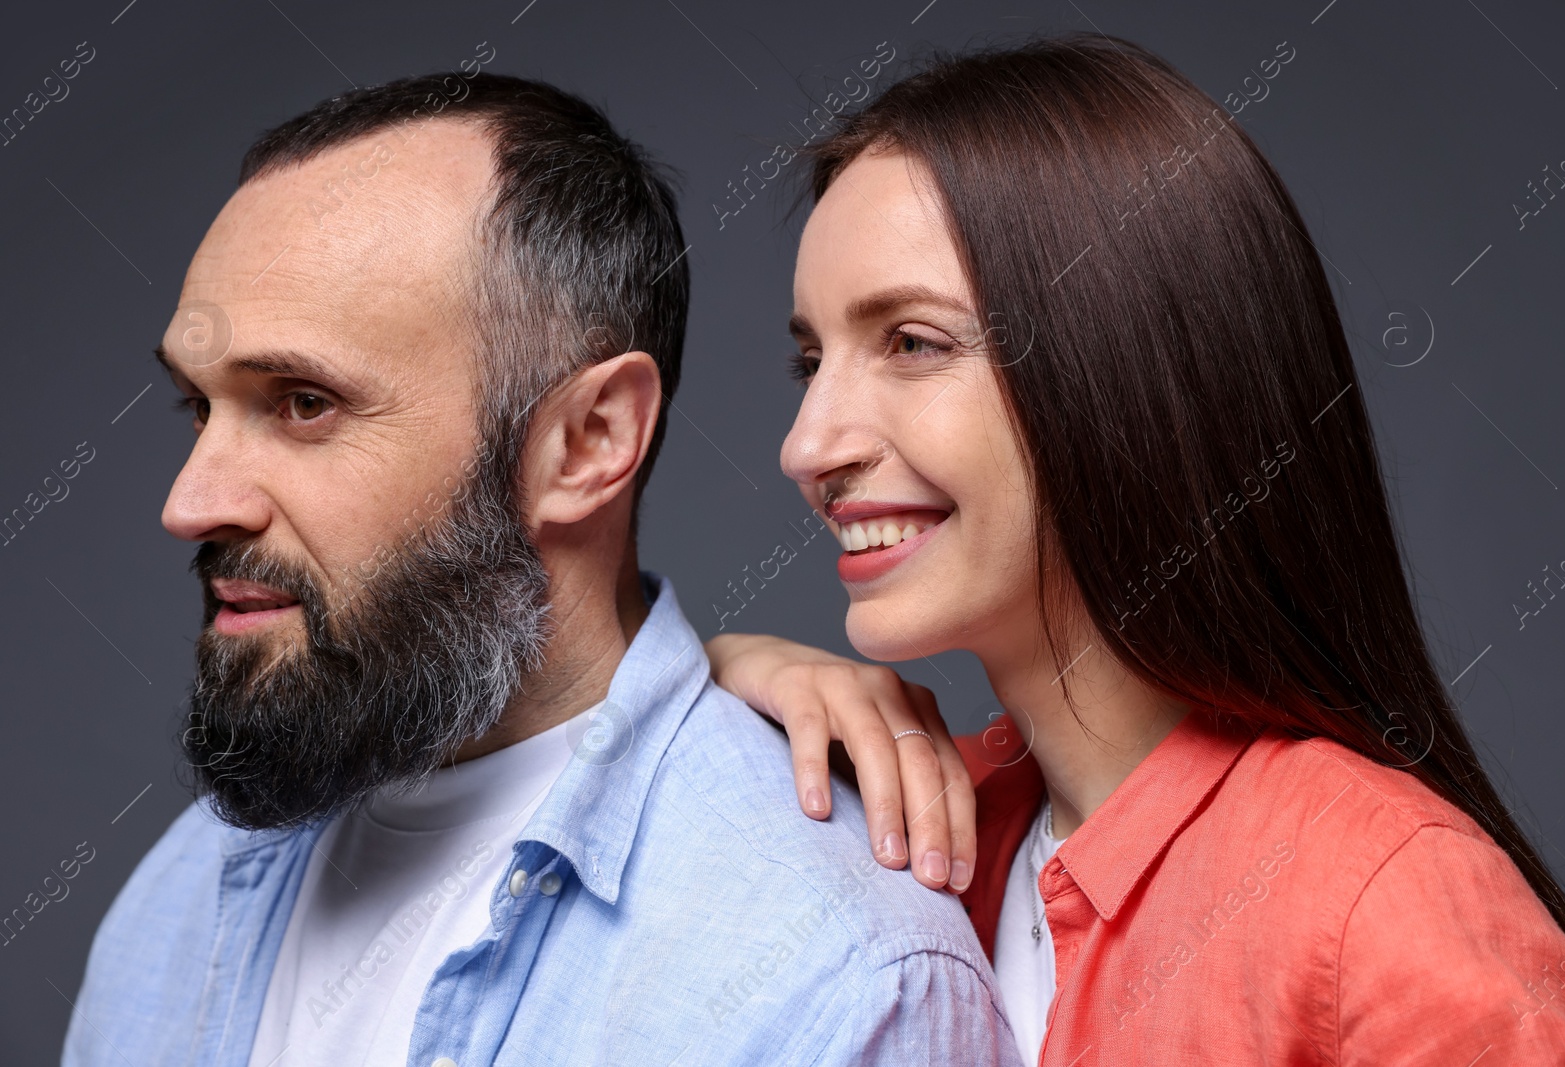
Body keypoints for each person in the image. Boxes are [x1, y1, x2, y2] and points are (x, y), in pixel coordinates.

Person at [61, 72, 1022, 1067]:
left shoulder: (837, 981)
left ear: (586, 440)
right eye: (198, 407)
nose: (190, 500)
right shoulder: (183, 891)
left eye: (303, 402)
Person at [707, 34, 1565, 1065]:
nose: (805, 446)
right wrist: (726, 677)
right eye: (809, 360)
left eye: (912, 342)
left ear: (1123, 364)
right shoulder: (920, 837)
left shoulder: (1377, 900)